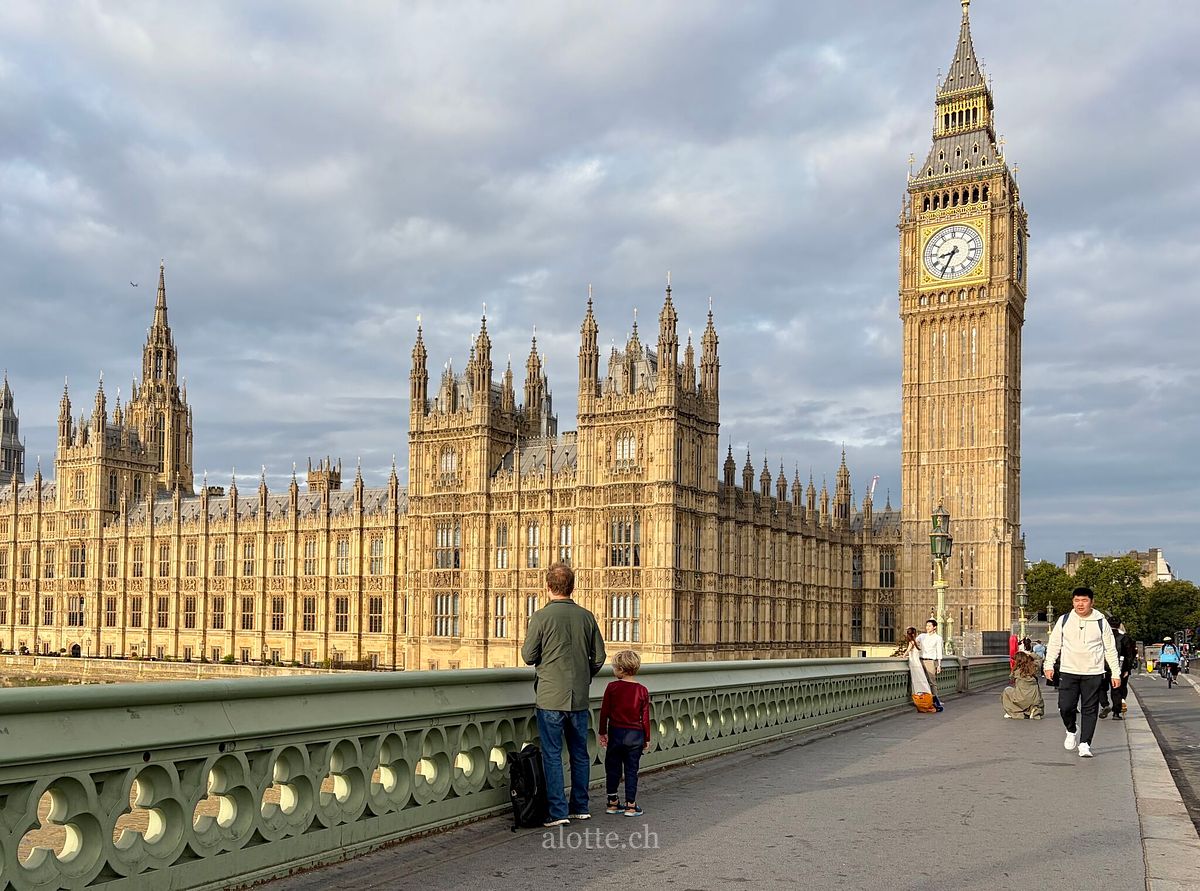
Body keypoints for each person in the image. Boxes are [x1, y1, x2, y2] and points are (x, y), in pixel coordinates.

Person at [521, 562, 607, 826]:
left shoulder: (541, 617)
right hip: (579, 698)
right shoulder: (587, 616)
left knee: (552, 754)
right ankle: (580, 806)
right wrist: (583, 677)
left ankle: (558, 812)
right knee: (580, 753)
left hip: (550, 697)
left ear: (548, 587)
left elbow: (528, 656)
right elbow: (600, 657)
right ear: (573, 587)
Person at [1043, 587, 1120, 758]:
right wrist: (1048, 665)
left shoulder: (1101, 622)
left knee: (1090, 709)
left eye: (1084, 601)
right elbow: (1054, 644)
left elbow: (1110, 649)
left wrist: (1115, 672)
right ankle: (1071, 729)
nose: (1080, 604)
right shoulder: (1064, 620)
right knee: (1066, 707)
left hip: (1093, 671)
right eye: (1077, 600)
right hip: (1068, 670)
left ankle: (1085, 743)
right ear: (1073, 602)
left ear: (1092, 602)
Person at [599, 649, 651, 817]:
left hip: (616, 733)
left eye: (614, 667)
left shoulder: (612, 687)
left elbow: (604, 712)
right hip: (635, 735)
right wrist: (647, 738)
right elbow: (645, 718)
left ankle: (613, 802)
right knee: (631, 770)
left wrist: (602, 732)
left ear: (620, 669)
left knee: (612, 768)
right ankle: (630, 805)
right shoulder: (642, 690)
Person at [1102, 617, 1136, 720]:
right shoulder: (1125, 638)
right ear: (1120, 625)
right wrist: (1127, 669)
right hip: (1120, 667)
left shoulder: (1102, 637)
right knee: (1117, 690)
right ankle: (1116, 712)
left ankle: (1104, 704)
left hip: (1103, 666)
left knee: (1101, 688)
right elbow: (1130, 655)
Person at [898, 626, 937, 713]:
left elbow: (908, 651)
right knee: (922, 680)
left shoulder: (912, 642)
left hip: (914, 664)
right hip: (918, 663)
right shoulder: (917, 642)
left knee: (916, 680)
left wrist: (903, 656)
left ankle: (920, 698)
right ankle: (927, 697)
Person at [1002, 651, 1044, 719]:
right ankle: (1034, 710)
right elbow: (1039, 658)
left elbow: (1010, 677)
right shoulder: (1034, 668)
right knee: (1033, 695)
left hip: (1021, 698)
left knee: (1007, 691)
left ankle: (1014, 712)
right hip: (1034, 699)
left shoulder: (1016, 671)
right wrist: (1029, 654)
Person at [915, 619, 945, 712]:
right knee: (921, 680)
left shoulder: (938, 638)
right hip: (920, 660)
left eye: (929, 626)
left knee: (932, 681)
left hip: (930, 661)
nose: (927, 627)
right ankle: (923, 699)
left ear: (934, 627)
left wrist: (939, 665)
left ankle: (935, 700)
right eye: (926, 625)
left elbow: (939, 652)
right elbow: (913, 643)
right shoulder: (922, 636)